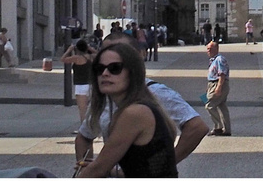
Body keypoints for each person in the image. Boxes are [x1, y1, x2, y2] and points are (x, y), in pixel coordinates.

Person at [76, 34, 207, 168]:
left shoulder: (156, 92)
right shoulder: (105, 95)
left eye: (116, 64)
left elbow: (197, 127)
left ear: (137, 58)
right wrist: (85, 168)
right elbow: (84, 136)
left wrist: (166, 164)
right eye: (102, 61)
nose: (107, 68)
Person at [61, 34, 97, 120]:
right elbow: (98, 53)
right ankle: (91, 127)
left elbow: (63, 59)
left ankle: (83, 128)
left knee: (82, 109)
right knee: (91, 108)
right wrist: (89, 48)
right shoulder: (90, 57)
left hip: (80, 85)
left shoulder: (76, 58)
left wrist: (69, 50)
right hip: (90, 84)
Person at [205, 39, 231, 136]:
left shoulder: (220, 59)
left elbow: (222, 74)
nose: (208, 51)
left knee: (209, 105)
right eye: (207, 49)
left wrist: (219, 87)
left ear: (216, 49)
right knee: (221, 106)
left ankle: (218, 127)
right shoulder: (213, 60)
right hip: (212, 84)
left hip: (218, 84)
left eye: (210, 49)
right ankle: (227, 129)